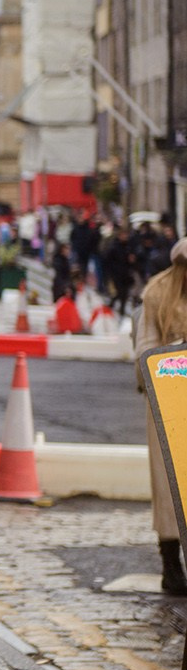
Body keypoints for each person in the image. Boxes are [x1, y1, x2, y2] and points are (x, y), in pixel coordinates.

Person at [134, 239, 187, 595]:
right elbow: (145, 349)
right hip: (170, 399)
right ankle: (171, 562)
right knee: (170, 487)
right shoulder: (158, 293)